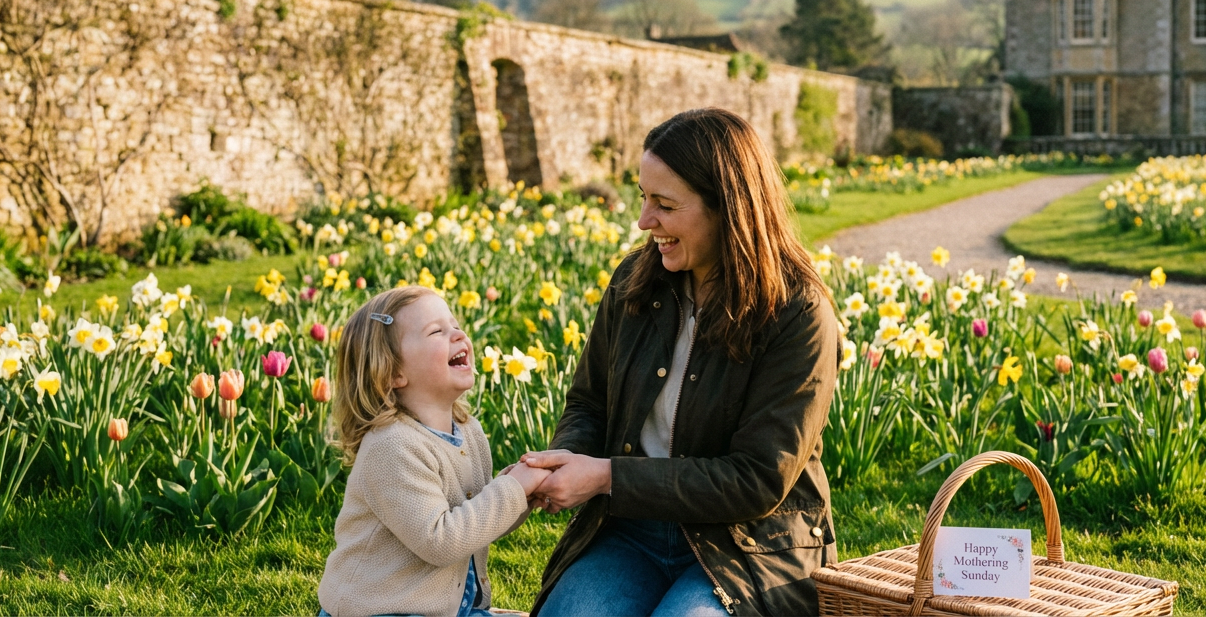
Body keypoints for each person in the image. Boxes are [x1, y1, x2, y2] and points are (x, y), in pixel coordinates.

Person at [523, 108, 840, 616]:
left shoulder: (797, 312)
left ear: (727, 208)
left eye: (664, 205)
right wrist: (562, 462)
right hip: (630, 530)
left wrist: (606, 477)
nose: (645, 221)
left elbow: (756, 479)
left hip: (748, 545)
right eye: (643, 198)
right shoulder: (636, 282)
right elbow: (589, 402)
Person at [318, 286, 549, 617]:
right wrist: (513, 489)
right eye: (436, 331)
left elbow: (473, 522)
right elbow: (442, 541)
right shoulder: (391, 446)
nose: (458, 334)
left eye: (454, 325)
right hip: (378, 612)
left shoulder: (468, 431)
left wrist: (522, 496)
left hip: (446, 608)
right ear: (394, 372)